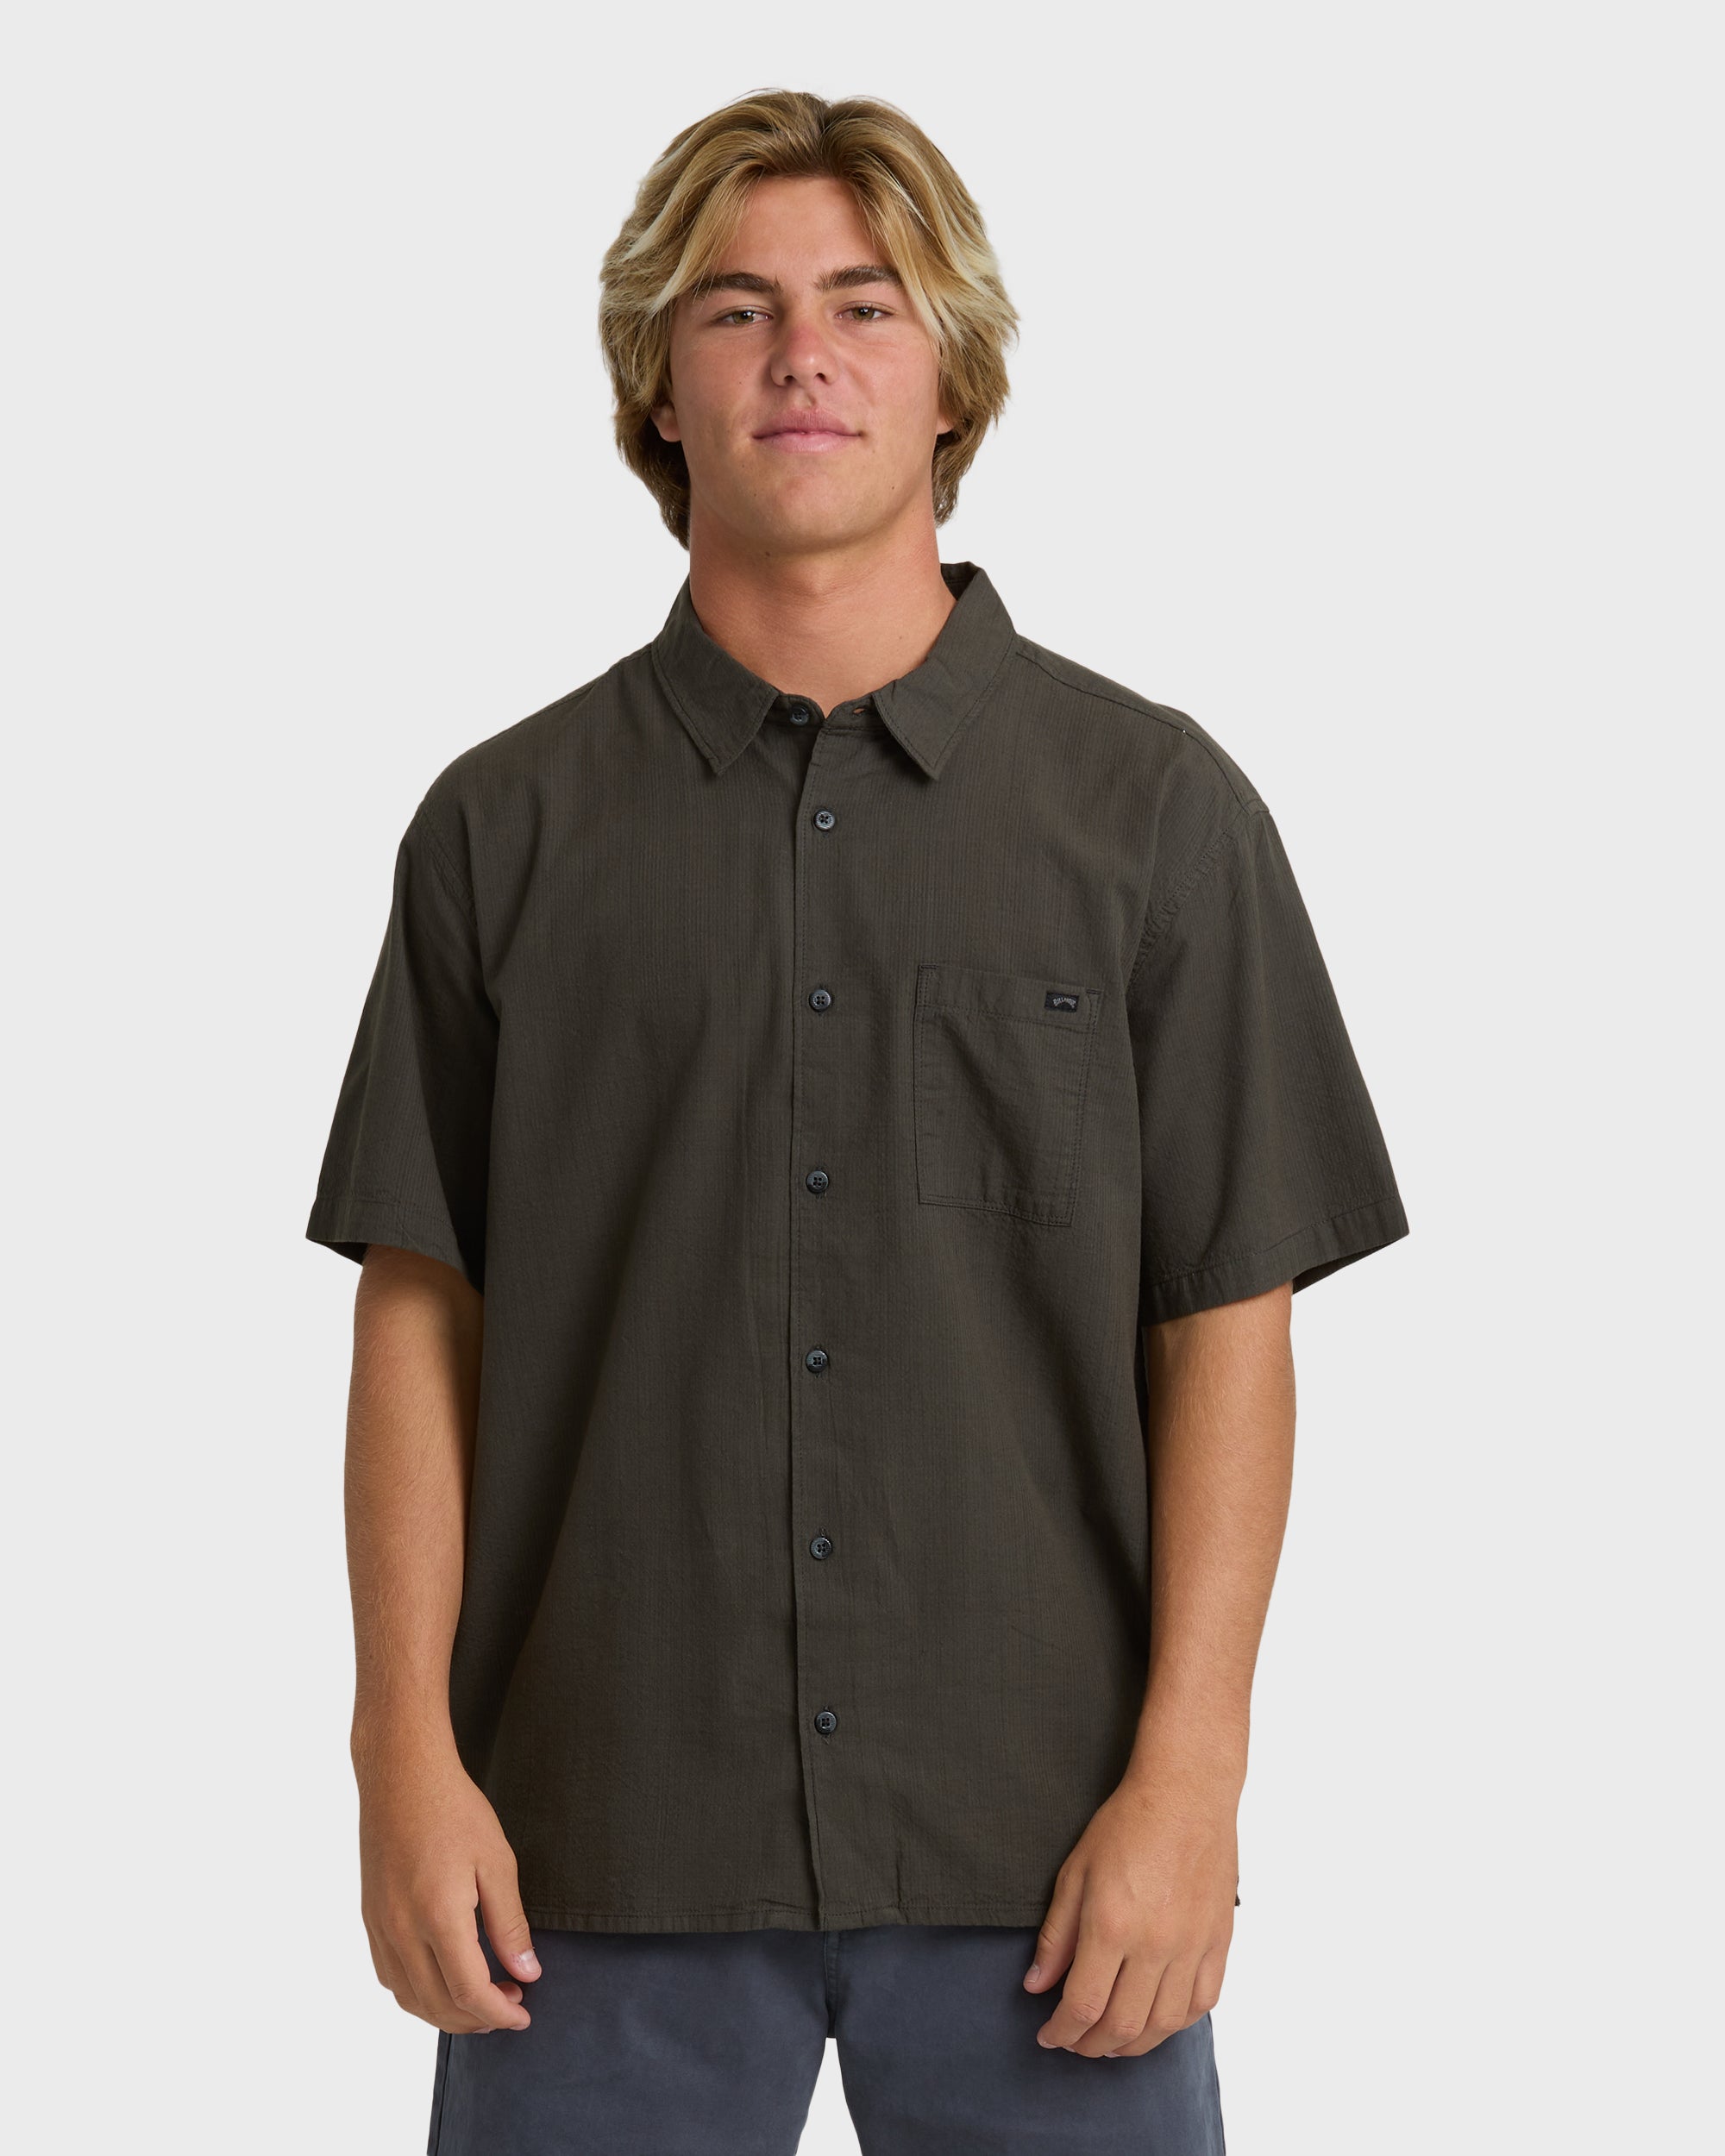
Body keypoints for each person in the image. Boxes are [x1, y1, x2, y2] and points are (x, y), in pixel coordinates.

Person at [307, 87, 1408, 2156]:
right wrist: (400, 1756)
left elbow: (1225, 1323)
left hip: (1045, 1848)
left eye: (862, 305)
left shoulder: (1155, 816)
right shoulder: (501, 831)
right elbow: (420, 1309)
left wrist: (1191, 1781)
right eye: (735, 308)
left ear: (950, 375)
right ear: (659, 386)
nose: (799, 353)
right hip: (595, 1837)